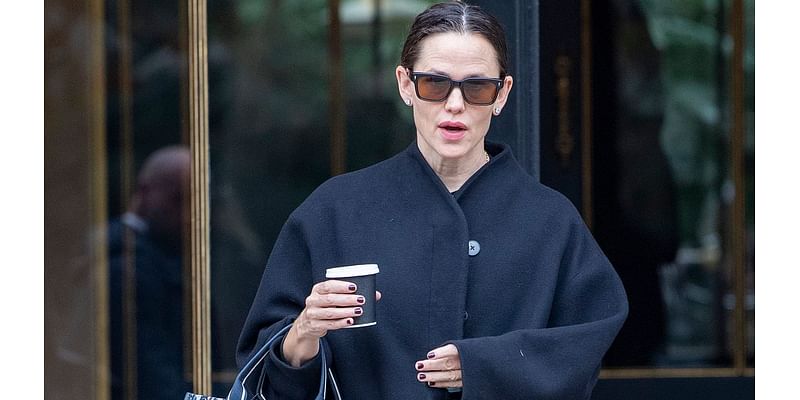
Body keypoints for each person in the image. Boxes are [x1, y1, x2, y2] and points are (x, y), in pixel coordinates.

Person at [236, 2, 628, 399]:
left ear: (502, 93)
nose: (454, 104)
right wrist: (304, 333)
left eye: (476, 87)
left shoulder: (549, 220)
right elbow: (266, 367)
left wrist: (482, 367)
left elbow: (584, 345)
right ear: (406, 85)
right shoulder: (335, 210)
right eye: (435, 84)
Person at [108, 145, 191, 400]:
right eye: (178, 199)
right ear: (144, 192)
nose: (189, 216)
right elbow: (154, 379)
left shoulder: (164, 253)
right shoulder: (128, 266)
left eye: (195, 202)